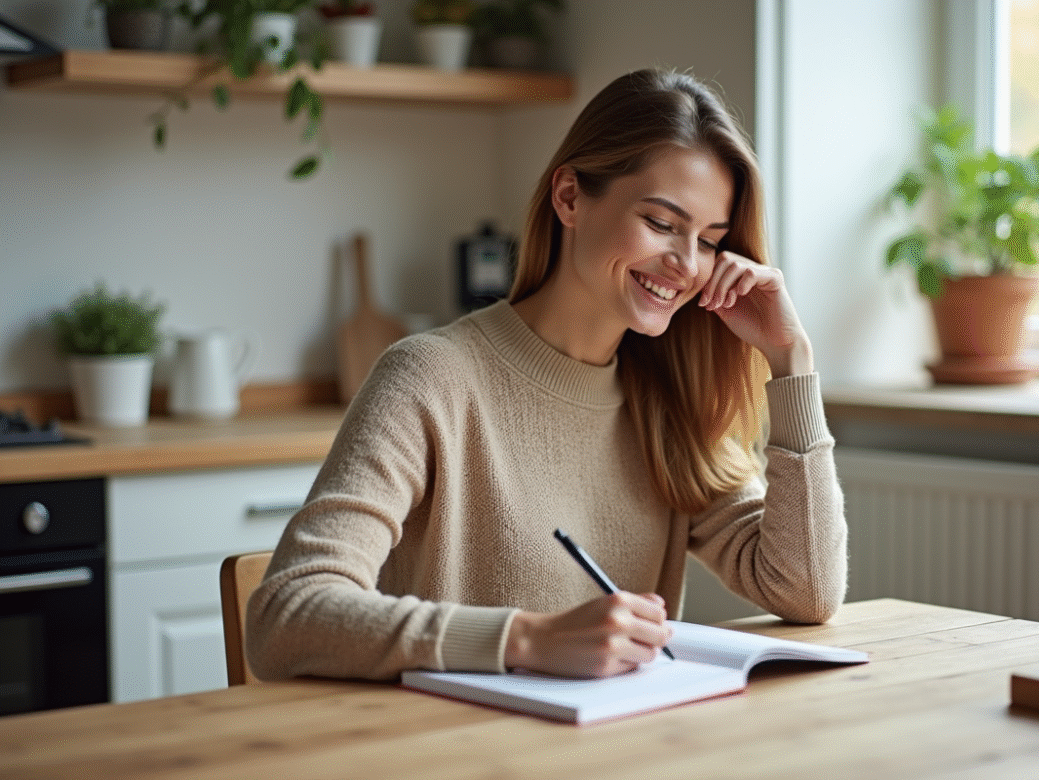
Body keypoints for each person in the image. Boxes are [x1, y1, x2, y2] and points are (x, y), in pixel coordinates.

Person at [247, 68, 847, 682]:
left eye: (711, 239)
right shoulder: (430, 378)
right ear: (568, 198)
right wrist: (527, 639)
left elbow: (805, 593)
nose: (687, 265)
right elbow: (286, 615)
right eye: (663, 224)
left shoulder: (669, 403)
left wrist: (790, 361)